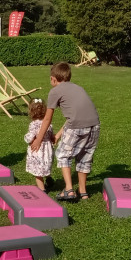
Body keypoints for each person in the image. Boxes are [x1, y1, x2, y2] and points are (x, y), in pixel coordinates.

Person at [32, 62, 100, 202]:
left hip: (76, 126)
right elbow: (73, 117)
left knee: (63, 155)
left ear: (53, 79)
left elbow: (47, 119)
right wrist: (58, 135)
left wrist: (38, 139)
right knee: (84, 157)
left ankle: (69, 190)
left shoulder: (55, 91)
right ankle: (83, 192)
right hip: (94, 125)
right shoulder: (78, 87)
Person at [24, 99, 55, 193]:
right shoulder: (48, 124)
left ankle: (42, 190)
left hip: (38, 150)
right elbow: (51, 136)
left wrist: (26, 138)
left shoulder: (33, 124)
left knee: (38, 172)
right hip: (47, 150)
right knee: (44, 166)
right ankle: (49, 179)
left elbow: (30, 137)